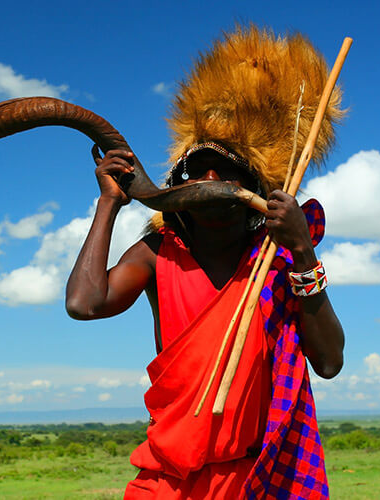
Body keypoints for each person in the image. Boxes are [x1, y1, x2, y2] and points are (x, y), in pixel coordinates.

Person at [65, 26, 345, 499]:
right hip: (165, 478)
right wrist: (110, 203)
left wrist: (302, 250)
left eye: (226, 171)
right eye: (196, 173)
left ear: (253, 192)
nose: (210, 180)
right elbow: (84, 303)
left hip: (253, 479)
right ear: (178, 196)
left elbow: (330, 362)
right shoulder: (158, 254)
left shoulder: (275, 263)